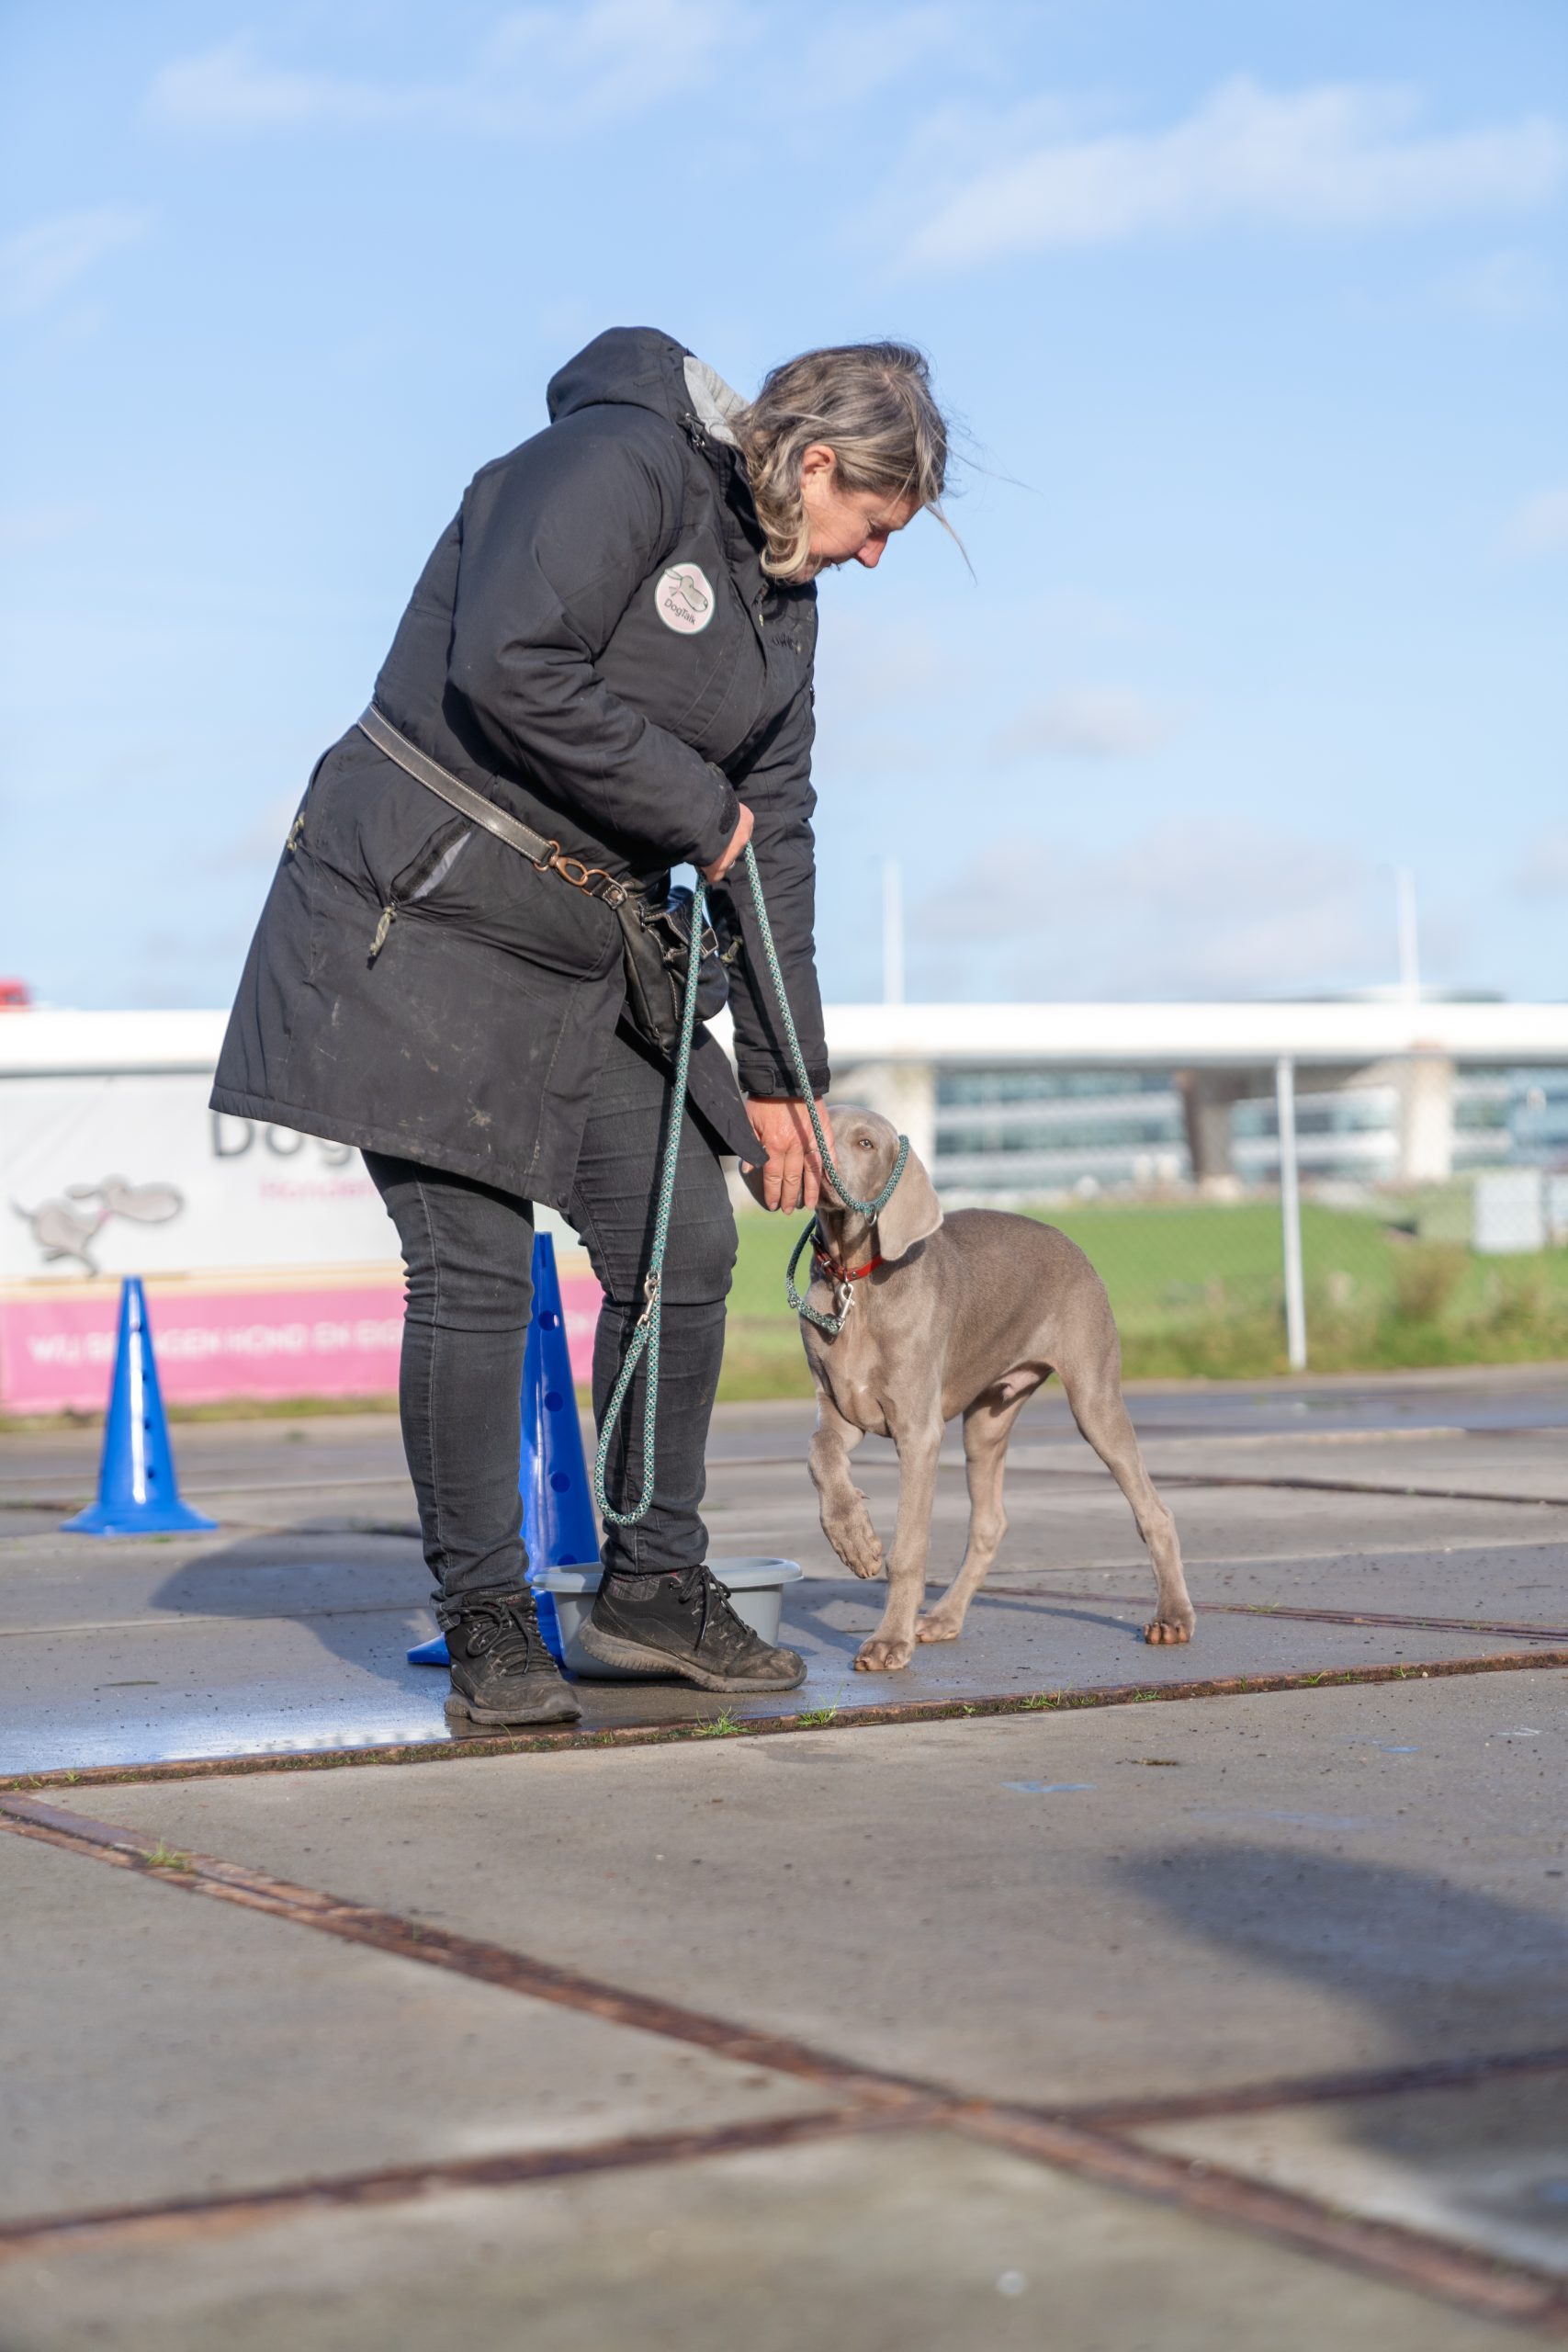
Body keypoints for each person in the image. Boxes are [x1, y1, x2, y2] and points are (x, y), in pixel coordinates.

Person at [212, 327, 950, 1728]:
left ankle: (650, 1591)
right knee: (476, 1273)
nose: (872, 558)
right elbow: (510, 660)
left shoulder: (786, 611)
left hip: (583, 952)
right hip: (417, 920)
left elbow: (771, 839)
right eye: (875, 520)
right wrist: (694, 813)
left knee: (686, 1238)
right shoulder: (616, 466)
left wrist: (792, 1080)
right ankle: (489, 1615)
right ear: (813, 462)